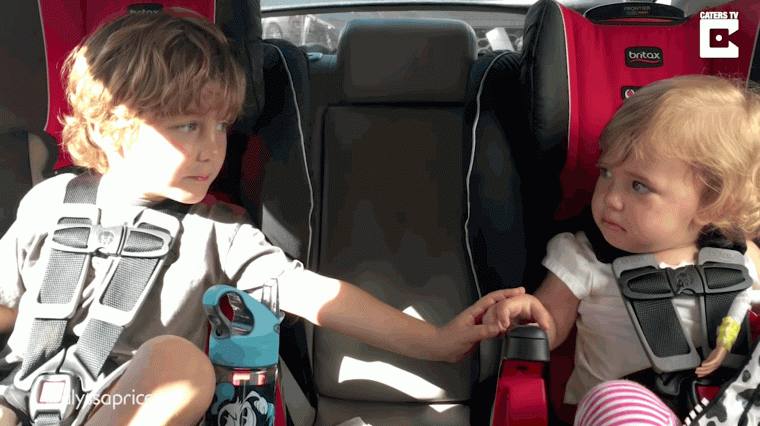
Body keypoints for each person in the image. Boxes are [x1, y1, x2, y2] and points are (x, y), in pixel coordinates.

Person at [0, 9, 528, 426]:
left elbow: (319, 297)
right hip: (19, 394)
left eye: (221, 127)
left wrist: (437, 340)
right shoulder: (49, 202)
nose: (213, 149)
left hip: (128, 399)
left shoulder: (220, 235)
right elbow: (8, 304)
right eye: (187, 126)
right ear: (109, 127)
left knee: (181, 365)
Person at [481, 74, 760, 425]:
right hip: (630, 410)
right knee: (613, 398)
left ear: (713, 204)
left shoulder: (741, 258)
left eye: (639, 187)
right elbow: (548, 326)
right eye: (606, 172)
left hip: (731, 407)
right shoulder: (584, 256)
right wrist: (530, 314)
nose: (610, 199)